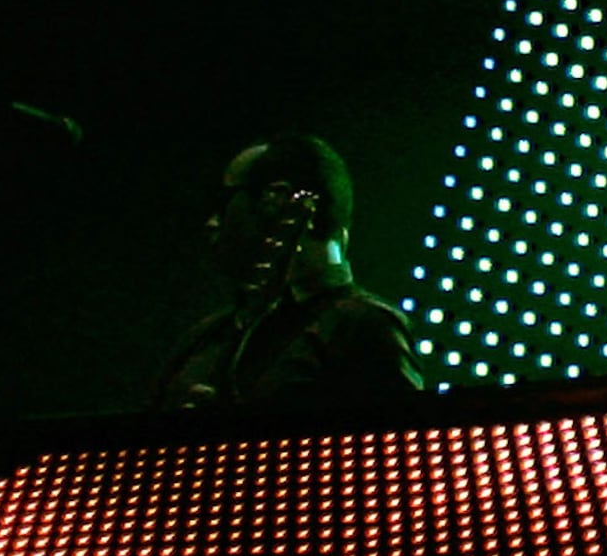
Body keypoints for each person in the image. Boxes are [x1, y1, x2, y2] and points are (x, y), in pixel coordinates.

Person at [152, 135, 425, 409]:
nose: (212, 223)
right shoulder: (207, 336)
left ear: (277, 198)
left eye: (225, 201)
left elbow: (399, 445)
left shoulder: (364, 328)